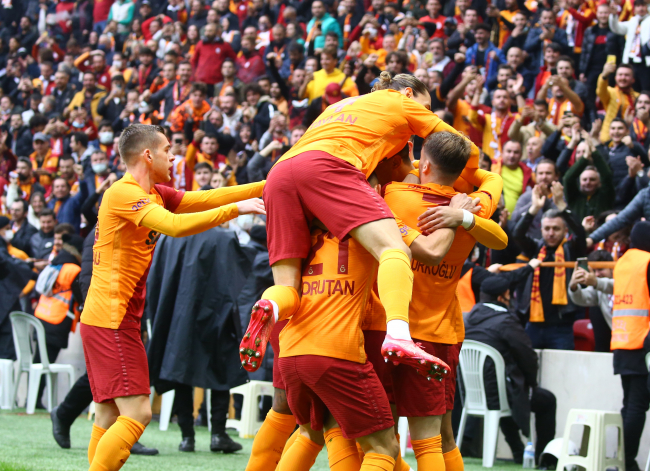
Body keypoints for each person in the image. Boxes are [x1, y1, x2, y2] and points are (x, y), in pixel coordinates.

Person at [239, 73, 481, 386]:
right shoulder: (400, 103)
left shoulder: (338, 107)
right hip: (330, 167)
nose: (426, 116)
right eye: (427, 108)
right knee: (394, 249)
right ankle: (399, 335)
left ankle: (269, 307)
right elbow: (468, 151)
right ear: (408, 94)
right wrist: (475, 178)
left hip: (281, 173)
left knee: (288, 288)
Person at [80, 124, 265, 471]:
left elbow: (204, 198)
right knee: (138, 412)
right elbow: (175, 226)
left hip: (110, 318)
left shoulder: (155, 193)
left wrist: (267, 185)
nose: (174, 156)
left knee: (108, 413)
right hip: (110, 318)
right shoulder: (123, 193)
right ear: (148, 155)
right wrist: (236, 210)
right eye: (167, 150)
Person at [377, 133, 507, 471]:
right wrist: (462, 205)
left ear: (425, 164)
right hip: (439, 334)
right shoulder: (474, 206)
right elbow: (492, 180)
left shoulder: (391, 195)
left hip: (386, 326)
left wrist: (414, 160)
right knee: (436, 438)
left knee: (384, 435)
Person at [50, 227, 158, 456]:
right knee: (117, 395)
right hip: (107, 317)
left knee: (105, 399)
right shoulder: (110, 227)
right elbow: (92, 277)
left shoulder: (113, 226)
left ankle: (67, 415)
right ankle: (71, 415)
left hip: (110, 315)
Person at [464, 275, 557, 466]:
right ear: (502, 297)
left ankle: (518, 451)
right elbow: (528, 356)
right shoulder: (505, 321)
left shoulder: (467, 318)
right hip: (500, 394)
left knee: (502, 391)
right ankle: (543, 459)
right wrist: (531, 383)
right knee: (544, 399)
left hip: (471, 393)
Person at [514, 192, 587, 349]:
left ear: (565, 231)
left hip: (561, 327)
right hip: (533, 324)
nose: (551, 233)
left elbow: (580, 234)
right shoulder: (535, 248)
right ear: (541, 230)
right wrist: (534, 209)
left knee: (562, 365)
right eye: (547, 229)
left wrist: (563, 208)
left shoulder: (571, 249)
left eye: (556, 229)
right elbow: (517, 234)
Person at [611, 221, 650, 471]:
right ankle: (626, 461)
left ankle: (624, 460)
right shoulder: (647, 261)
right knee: (637, 406)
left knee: (630, 405)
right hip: (643, 342)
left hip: (622, 340)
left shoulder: (622, 262)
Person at [568, 250, 614, 353]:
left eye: (601, 269)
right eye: (593, 270)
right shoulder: (598, 287)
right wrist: (573, 286)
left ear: (612, 268)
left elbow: (614, 286)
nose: (597, 274)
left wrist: (597, 282)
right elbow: (583, 298)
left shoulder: (622, 280)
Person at [563, 137, 615, 223]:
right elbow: (567, 179)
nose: (588, 182)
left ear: (599, 182)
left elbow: (606, 175)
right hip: (578, 231)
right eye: (584, 179)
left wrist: (594, 153)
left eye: (592, 179)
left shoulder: (605, 196)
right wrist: (585, 157)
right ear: (579, 182)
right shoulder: (574, 198)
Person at [511, 160, 563, 239]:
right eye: (540, 173)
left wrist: (546, 200)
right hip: (530, 243)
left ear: (556, 176)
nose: (544, 177)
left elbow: (564, 220)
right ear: (535, 176)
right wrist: (534, 204)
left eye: (548, 173)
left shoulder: (560, 196)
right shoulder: (527, 196)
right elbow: (514, 218)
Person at [608, 0, 650, 91]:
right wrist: (614, 15)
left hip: (645, 62)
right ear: (634, 9)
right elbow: (617, 29)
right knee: (632, 89)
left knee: (646, 89)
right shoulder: (633, 21)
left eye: (643, 5)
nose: (641, 8)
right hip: (631, 62)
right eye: (638, 6)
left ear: (647, 7)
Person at [598, 63, 639, 142]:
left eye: (626, 75)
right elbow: (600, 91)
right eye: (620, 75)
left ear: (633, 79)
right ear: (615, 78)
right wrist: (604, 76)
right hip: (608, 140)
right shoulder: (610, 92)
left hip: (630, 139)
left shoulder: (638, 97)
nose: (623, 78)